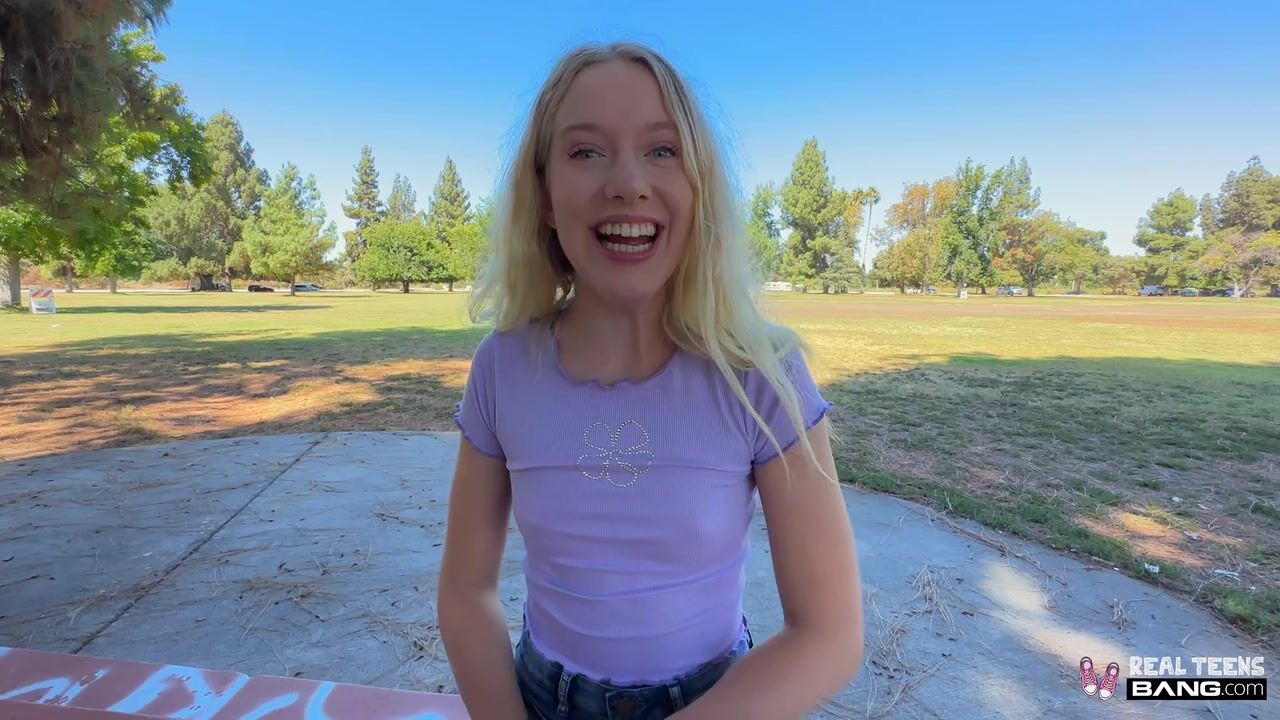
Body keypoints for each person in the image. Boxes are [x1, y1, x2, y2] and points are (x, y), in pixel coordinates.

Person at [438, 41, 864, 720]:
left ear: (699, 189)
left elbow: (828, 634)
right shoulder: (502, 368)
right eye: (585, 151)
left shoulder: (761, 373)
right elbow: (465, 593)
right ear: (544, 195)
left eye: (663, 150)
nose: (628, 182)